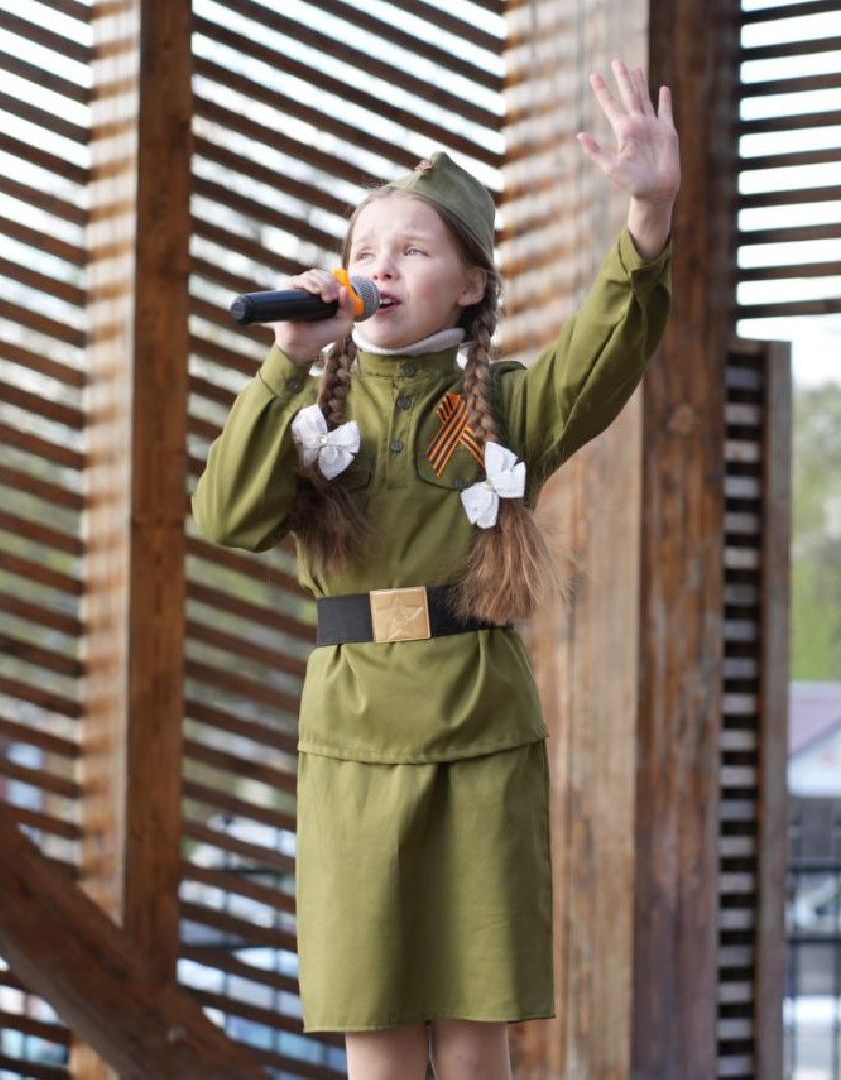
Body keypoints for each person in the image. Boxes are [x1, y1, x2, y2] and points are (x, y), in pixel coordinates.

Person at [192, 58, 678, 1079]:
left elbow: (602, 353)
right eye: (366, 249)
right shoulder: (313, 410)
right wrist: (285, 358)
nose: (383, 264)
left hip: (480, 727)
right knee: (375, 1017)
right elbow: (227, 517)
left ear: (471, 284)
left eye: (413, 249)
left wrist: (648, 216)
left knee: (472, 1027)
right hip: (353, 733)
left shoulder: (491, 408)